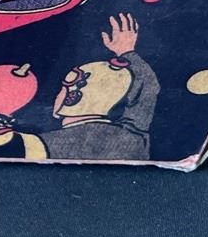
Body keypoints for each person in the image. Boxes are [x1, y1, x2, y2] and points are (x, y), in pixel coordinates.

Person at [39, 13, 159, 161]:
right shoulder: (133, 136)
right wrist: (127, 52)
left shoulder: (56, 142)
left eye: (65, 86)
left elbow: (16, 145)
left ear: (72, 97)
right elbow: (147, 91)